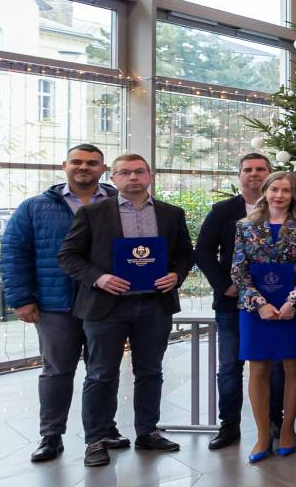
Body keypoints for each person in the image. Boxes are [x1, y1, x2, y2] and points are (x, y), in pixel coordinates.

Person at [56, 153, 195, 467]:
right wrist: (99, 278)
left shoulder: (171, 213)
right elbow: (68, 256)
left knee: (150, 371)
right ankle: (96, 439)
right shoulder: (93, 213)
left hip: (154, 305)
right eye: (125, 172)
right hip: (107, 306)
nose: (133, 177)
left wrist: (176, 274)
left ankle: (148, 432)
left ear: (149, 176)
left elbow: (185, 254)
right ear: (113, 178)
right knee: (100, 373)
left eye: (139, 172)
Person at [3, 143, 116, 463]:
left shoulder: (118, 203)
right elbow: (14, 253)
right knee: (56, 371)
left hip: (106, 302)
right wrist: (21, 299)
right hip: (55, 304)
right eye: (77, 162)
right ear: (64, 166)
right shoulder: (34, 207)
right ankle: (51, 435)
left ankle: (104, 429)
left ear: (103, 169)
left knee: (104, 371)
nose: (84, 167)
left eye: (92, 163)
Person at [229, 170, 296, 463]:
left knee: (293, 366)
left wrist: (293, 302)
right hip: (255, 309)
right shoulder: (245, 226)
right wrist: (259, 304)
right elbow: (238, 269)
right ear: (265, 192)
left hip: (293, 307)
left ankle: (287, 429)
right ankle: (261, 435)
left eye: (286, 190)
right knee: (258, 368)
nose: (279, 195)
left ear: (294, 194)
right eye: (274, 189)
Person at [192, 151, 273, 451]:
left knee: (275, 365)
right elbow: (203, 251)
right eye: (248, 169)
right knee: (229, 367)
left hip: (274, 303)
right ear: (240, 175)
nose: (254, 174)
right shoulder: (223, 210)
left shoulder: (282, 208)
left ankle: (273, 422)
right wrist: (224, 285)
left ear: (270, 173)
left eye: (260, 169)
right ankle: (229, 425)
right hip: (232, 303)